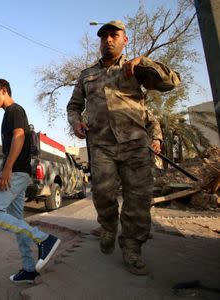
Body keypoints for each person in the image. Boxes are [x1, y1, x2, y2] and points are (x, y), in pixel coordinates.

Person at [67, 20, 180, 275]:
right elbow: (73, 106)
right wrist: (76, 122)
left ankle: (131, 247)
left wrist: (145, 62)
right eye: (104, 36)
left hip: (135, 146)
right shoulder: (87, 74)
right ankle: (108, 226)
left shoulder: (136, 68)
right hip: (101, 146)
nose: (108, 40)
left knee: (138, 199)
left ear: (124, 40)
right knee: (103, 194)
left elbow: (171, 82)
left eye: (114, 35)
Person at [0, 79, 61, 283]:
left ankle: (44, 239)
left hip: (16, 172)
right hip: (17, 172)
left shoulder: (14, 111)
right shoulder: (8, 114)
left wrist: (8, 168)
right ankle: (29, 268)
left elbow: (19, 137)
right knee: (17, 221)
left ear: (4, 90)